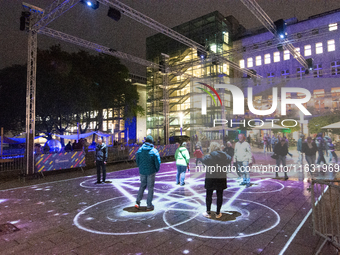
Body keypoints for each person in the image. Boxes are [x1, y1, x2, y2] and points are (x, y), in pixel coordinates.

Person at [199, 142, 231, 219]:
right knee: (219, 195)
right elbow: (229, 159)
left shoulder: (209, 157)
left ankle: (208, 212)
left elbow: (203, 160)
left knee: (209, 195)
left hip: (211, 178)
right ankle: (218, 213)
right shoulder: (224, 156)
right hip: (221, 178)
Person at [135, 135, 161, 211]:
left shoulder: (140, 150)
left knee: (142, 186)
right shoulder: (154, 151)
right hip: (151, 171)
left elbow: (137, 159)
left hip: (142, 171)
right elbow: (158, 162)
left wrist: (139, 166)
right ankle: (149, 205)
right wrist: (156, 169)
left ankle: (137, 202)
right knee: (150, 188)